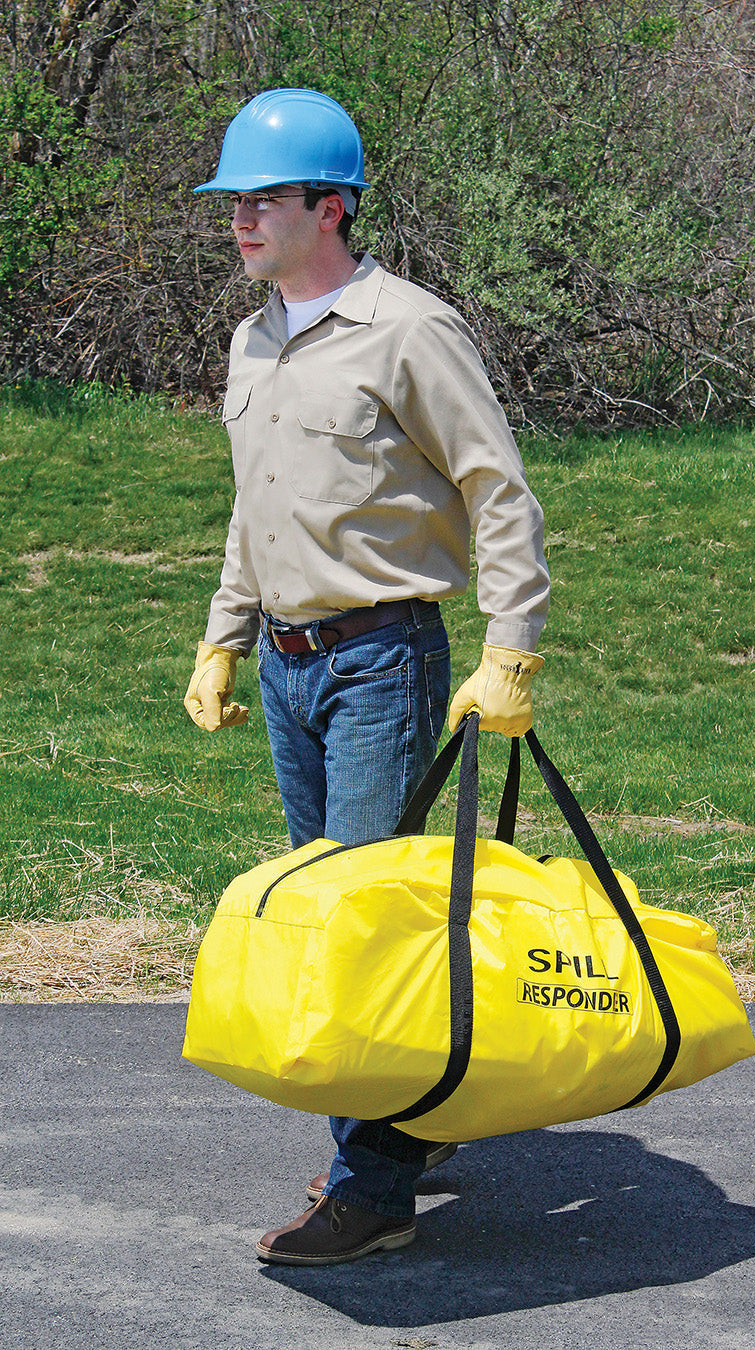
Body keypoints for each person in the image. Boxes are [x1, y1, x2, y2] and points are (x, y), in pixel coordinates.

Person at [183, 88, 550, 1265]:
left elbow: (497, 486)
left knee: (362, 931)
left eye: (264, 200)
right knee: (328, 913)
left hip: (384, 662)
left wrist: (510, 646)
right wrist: (223, 633)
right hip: (290, 668)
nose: (240, 220)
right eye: (232, 202)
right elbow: (258, 508)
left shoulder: (409, 329)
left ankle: (374, 1186)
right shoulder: (254, 338)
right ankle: (408, 1129)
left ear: (330, 208)